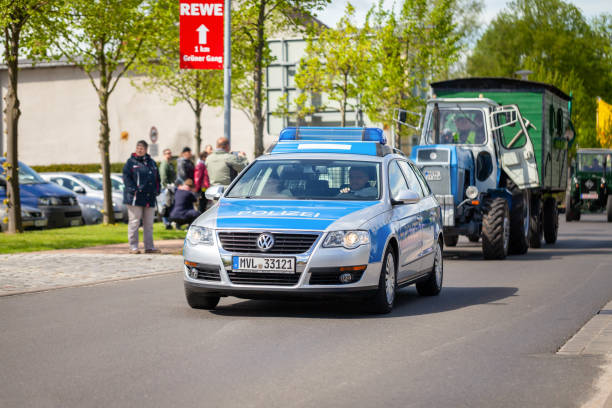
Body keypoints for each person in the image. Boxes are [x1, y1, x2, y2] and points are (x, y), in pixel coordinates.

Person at [122, 140, 161, 254]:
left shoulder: (152, 163)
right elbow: (126, 178)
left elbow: (157, 178)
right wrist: (134, 190)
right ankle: (133, 247)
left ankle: (149, 247)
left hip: (150, 198)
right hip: (135, 198)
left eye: (142, 148)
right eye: (138, 147)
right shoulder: (130, 162)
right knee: (134, 222)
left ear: (146, 150)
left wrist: (157, 190)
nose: (139, 149)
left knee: (148, 224)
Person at [158, 148, 176, 229]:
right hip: (165, 188)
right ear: (164, 155)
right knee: (165, 206)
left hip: (171, 188)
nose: (169, 155)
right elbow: (163, 177)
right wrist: (167, 186)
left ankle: (169, 221)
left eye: (170, 153)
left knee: (170, 206)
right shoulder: (164, 164)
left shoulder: (170, 164)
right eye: (167, 153)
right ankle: (166, 223)